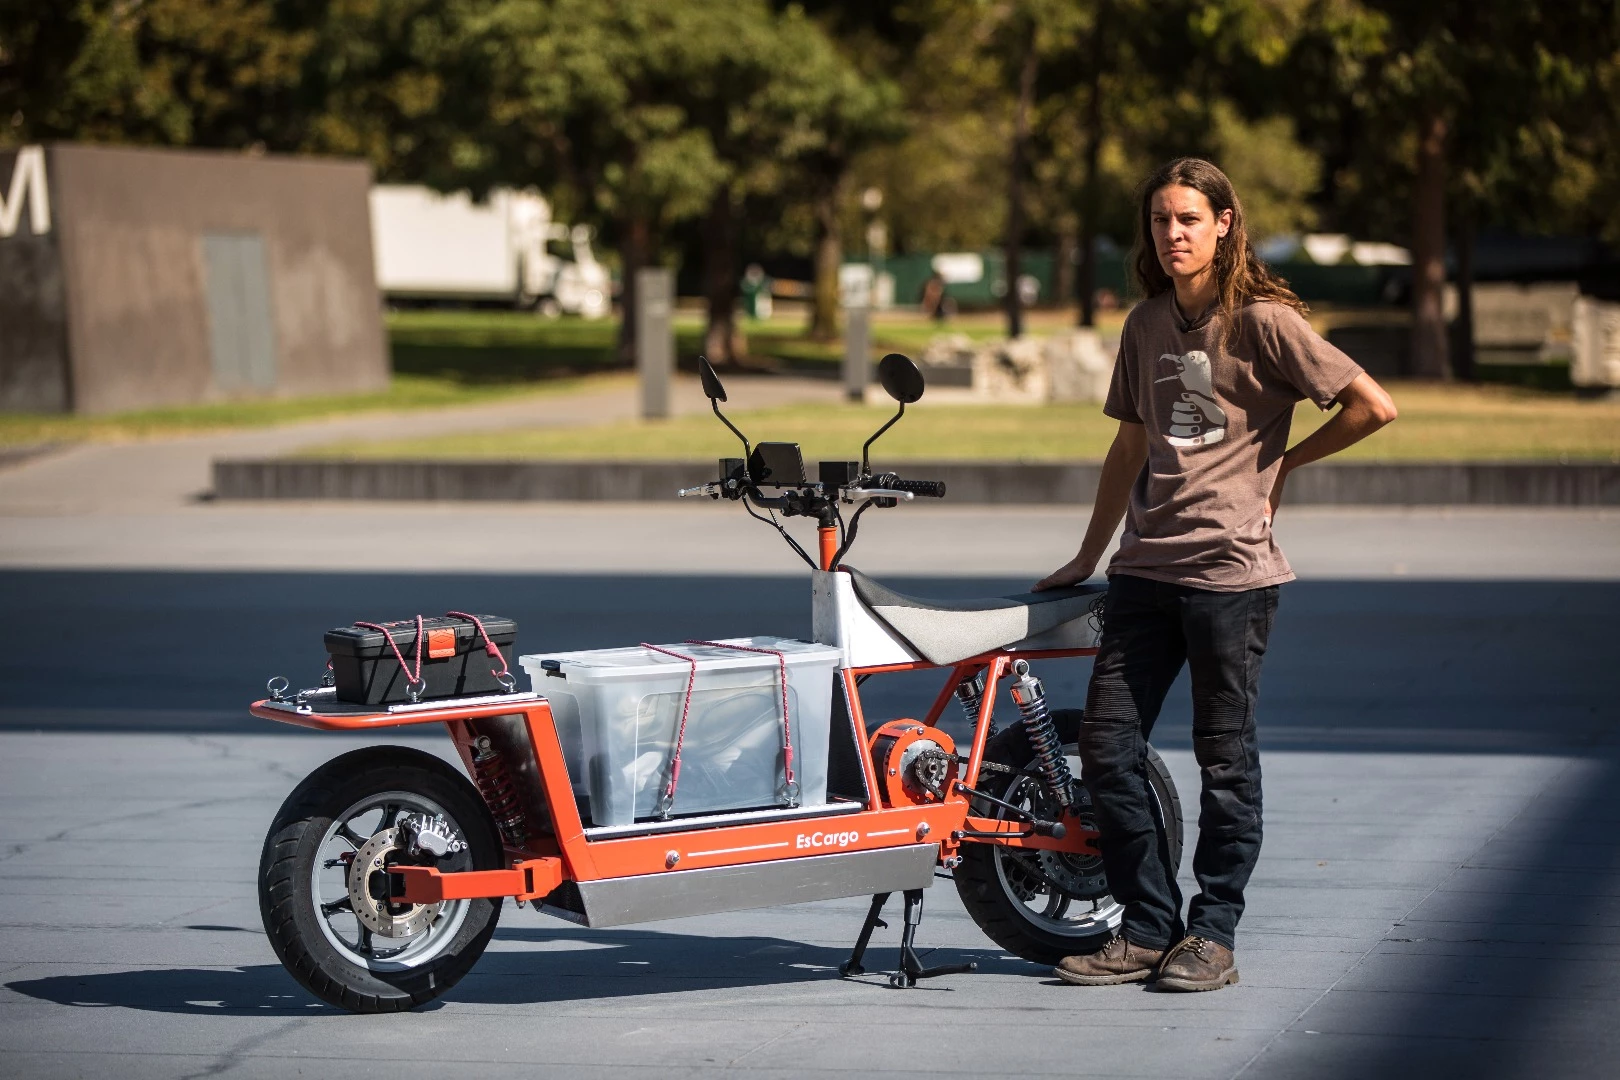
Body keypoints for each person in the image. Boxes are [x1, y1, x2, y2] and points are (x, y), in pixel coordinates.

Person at [1033, 158, 1397, 992]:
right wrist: (1090, 555)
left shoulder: (1265, 324)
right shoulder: (1144, 324)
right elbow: (1129, 445)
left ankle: (1213, 934)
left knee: (1223, 759)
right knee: (1107, 746)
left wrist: (1286, 468)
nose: (1172, 236)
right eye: (1161, 222)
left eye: (1189, 220)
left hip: (1232, 577)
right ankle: (1147, 928)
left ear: (1224, 224)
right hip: (1144, 572)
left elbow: (1373, 405)